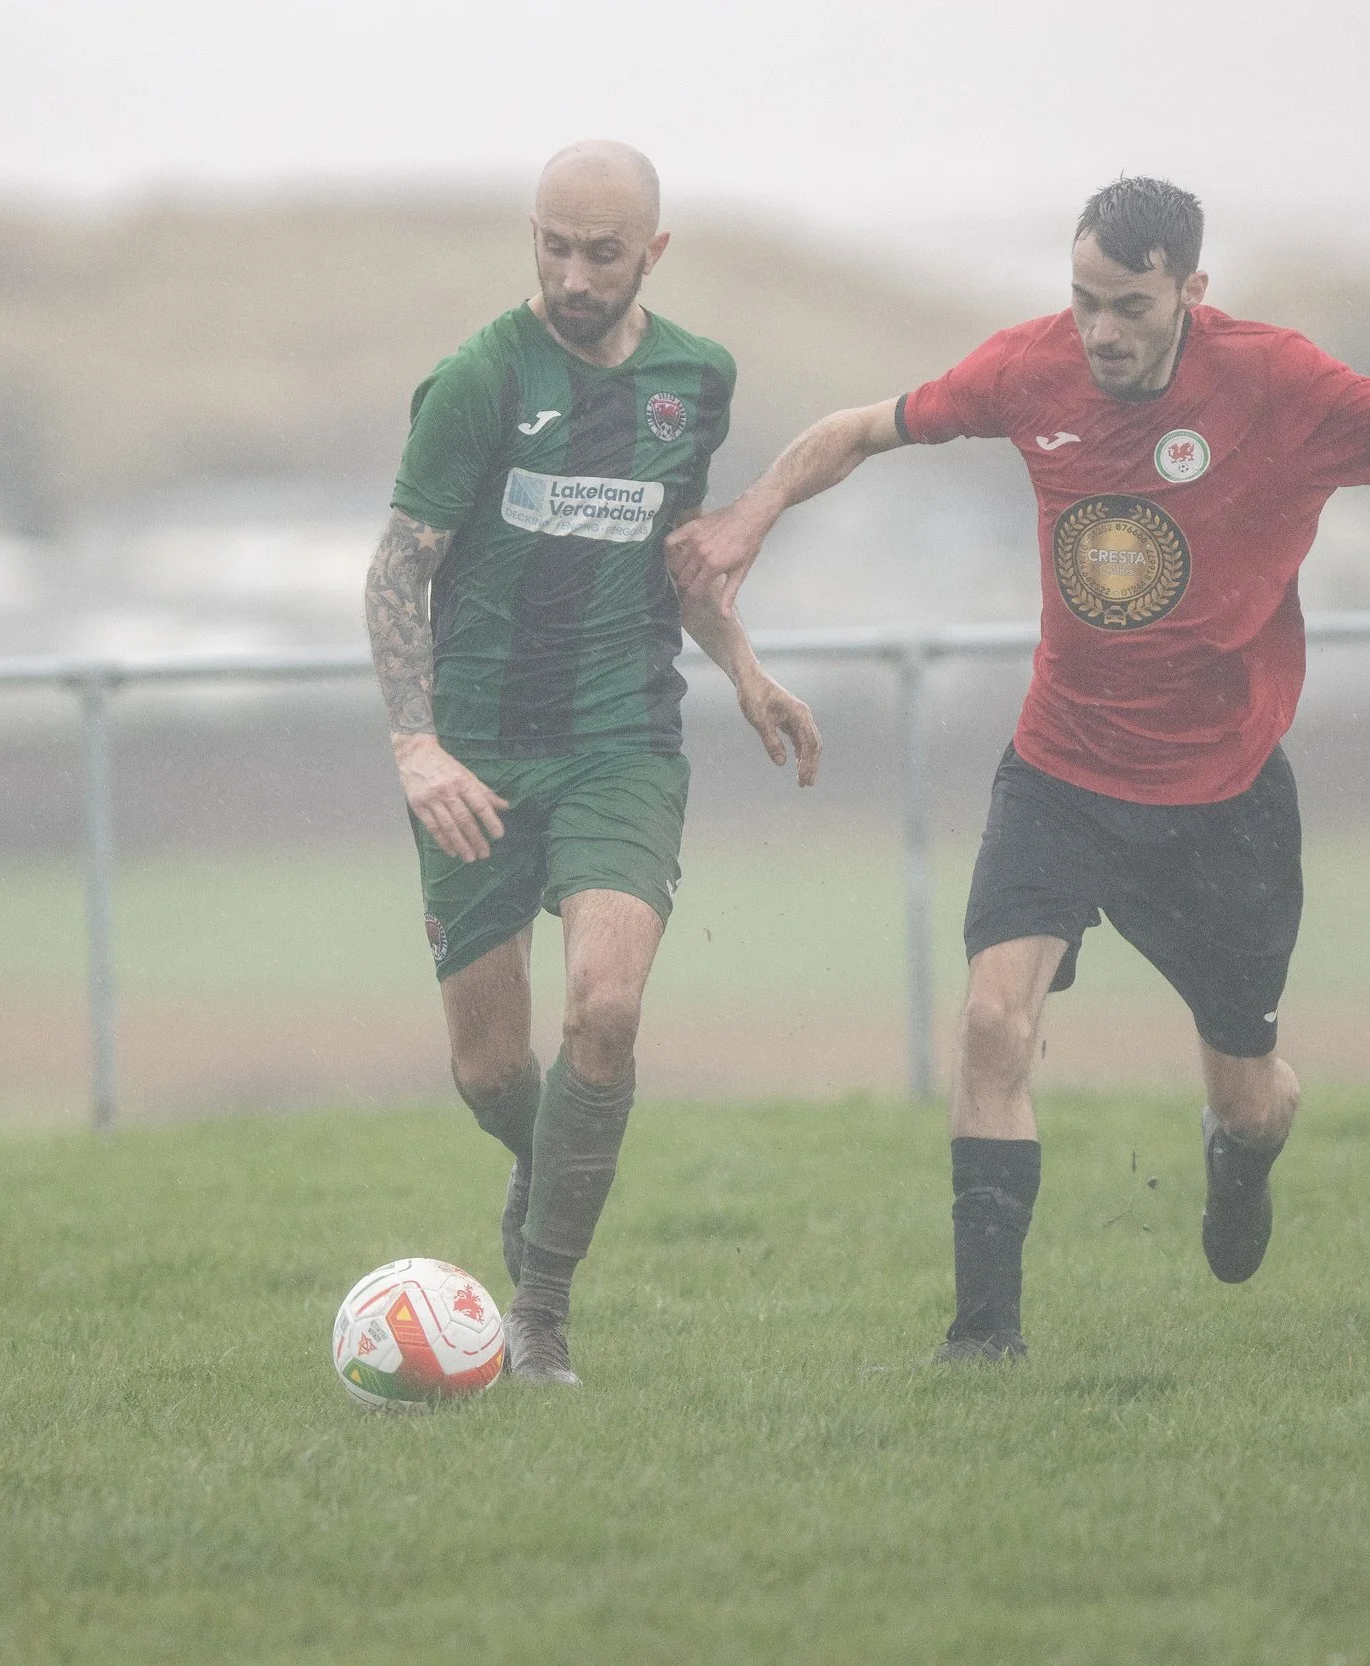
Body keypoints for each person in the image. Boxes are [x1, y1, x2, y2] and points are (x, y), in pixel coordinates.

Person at [667, 176, 1370, 1361]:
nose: (1101, 331)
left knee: (1252, 1093)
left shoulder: (1276, 379)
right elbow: (860, 429)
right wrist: (753, 513)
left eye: (1128, 306)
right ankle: (984, 1340)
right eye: (1083, 301)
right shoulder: (1031, 367)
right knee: (989, 1020)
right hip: (1061, 771)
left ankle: (1239, 1157)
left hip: (1221, 800)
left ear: (1192, 289)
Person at [366, 141, 823, 1385]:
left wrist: (743, 667)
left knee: (605, 1013)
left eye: (602, 254)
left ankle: (543, 1311)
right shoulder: (474, 379)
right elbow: (398, 567)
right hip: (473, 747)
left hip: (622, 737)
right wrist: (414, 745)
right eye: (553, 246)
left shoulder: (695, 380)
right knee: (490, 1068)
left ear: (653, 254)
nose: (573, 275)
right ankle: (548, 1158)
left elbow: (674, 555)